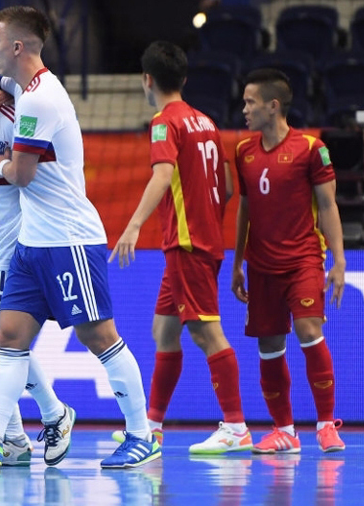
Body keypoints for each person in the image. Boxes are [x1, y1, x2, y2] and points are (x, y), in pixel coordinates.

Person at [0, 6, 159, 470]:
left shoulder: (41, 100)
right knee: (10, 336)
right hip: (32, 242)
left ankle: (142, 433)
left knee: (99, 336)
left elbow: (21, 173)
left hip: (68, 239)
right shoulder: (21, 86)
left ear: (17, 47)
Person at [108, 40, 251, 454]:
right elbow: (225, 187)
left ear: (146, 79)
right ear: (183, 79)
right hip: (197, 239)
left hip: (188, 242)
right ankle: (151, 425)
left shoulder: (163, 122)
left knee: (207, 332)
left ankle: (236, 426)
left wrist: (134, 225)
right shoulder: (205, 121)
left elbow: (162, 174)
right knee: (164, 331)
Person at [0, 38, 78, 466]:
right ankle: (18, 437)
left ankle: (42, 417)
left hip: (8, 251)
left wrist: (7, 164)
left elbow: (33, 167)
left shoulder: (14, 115)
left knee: (0, 340)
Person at [233, 68, 346, 454]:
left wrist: (339, 261)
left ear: (273, 106)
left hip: (303, 259)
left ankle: (327, 425)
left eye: (250, 102)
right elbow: (245, 208)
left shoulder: (311, 149)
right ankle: (284, 431)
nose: (244, 109)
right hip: (260, 265)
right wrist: (237, 264)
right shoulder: (242, 150)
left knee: (309, 331)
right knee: (269, 346)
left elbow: (329, 206)